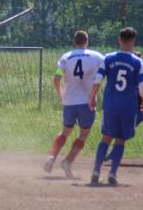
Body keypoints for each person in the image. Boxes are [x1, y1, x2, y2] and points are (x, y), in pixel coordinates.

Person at [89, 27, 143, 186]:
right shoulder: (137, 61)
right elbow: (142, 86)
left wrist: (92, 96)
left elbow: (97, 79)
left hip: (111, 104)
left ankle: (95, 171)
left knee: (107, 137)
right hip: (128, 106)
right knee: (121, 139)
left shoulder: (108, 58)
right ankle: (113, 173)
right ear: (133, 41)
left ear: (119, 40)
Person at [43, 31, 104, 178]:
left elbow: (57, 79)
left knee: (65, 132)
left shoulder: (66, 56)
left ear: (74, 42)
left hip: (69, 101)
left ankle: (52, 156)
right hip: (87, 101)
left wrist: (62, 95)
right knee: (83, 134)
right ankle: (68, 161)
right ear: (86, 41)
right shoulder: (97, 56)